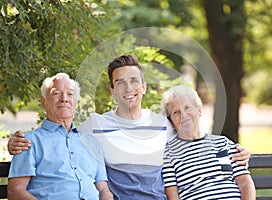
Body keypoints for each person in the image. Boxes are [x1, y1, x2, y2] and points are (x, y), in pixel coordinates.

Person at [7, 54, 251, 199]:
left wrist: (237, 153)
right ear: (112, 91)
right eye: (120, 83)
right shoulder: (95, 126)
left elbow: (198, 142)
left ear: (143, 86)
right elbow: (60, 129)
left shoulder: (164, 125)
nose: (128, 88)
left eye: (134, 81)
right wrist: (15, 142)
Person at [7, 73, 113, 200]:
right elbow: (15, 191)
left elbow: (103, 190)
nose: (64, 98)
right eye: (56, 93)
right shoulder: (28, 142)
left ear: (76, 102)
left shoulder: (92, 143)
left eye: (70, 94)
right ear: (43, 101)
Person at [160, 85, 256, 200]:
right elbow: (173, 196)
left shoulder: (223, 143)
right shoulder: (168, 154)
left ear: (199, 110)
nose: (183, 115)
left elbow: (245, 183)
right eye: (176, 112)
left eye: (187, 108)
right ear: (170, 120)